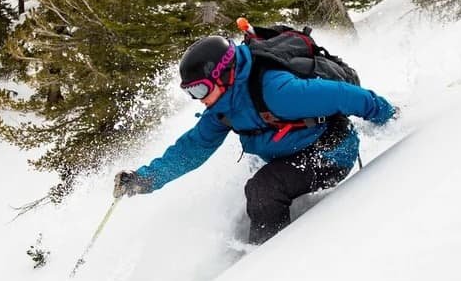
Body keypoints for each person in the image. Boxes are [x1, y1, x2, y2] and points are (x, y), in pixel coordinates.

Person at [114, 34, 396, 243]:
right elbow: (192, 148)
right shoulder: (223, 108)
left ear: (223, 74)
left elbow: (344, 96)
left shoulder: (276, 91)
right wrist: (144, 179)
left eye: (200, 90)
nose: (198, 100)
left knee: (263, 189)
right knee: (258, 188)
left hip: (331, 149)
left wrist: (390, 117)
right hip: (291, 153)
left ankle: (264, 267)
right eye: (191, 93)